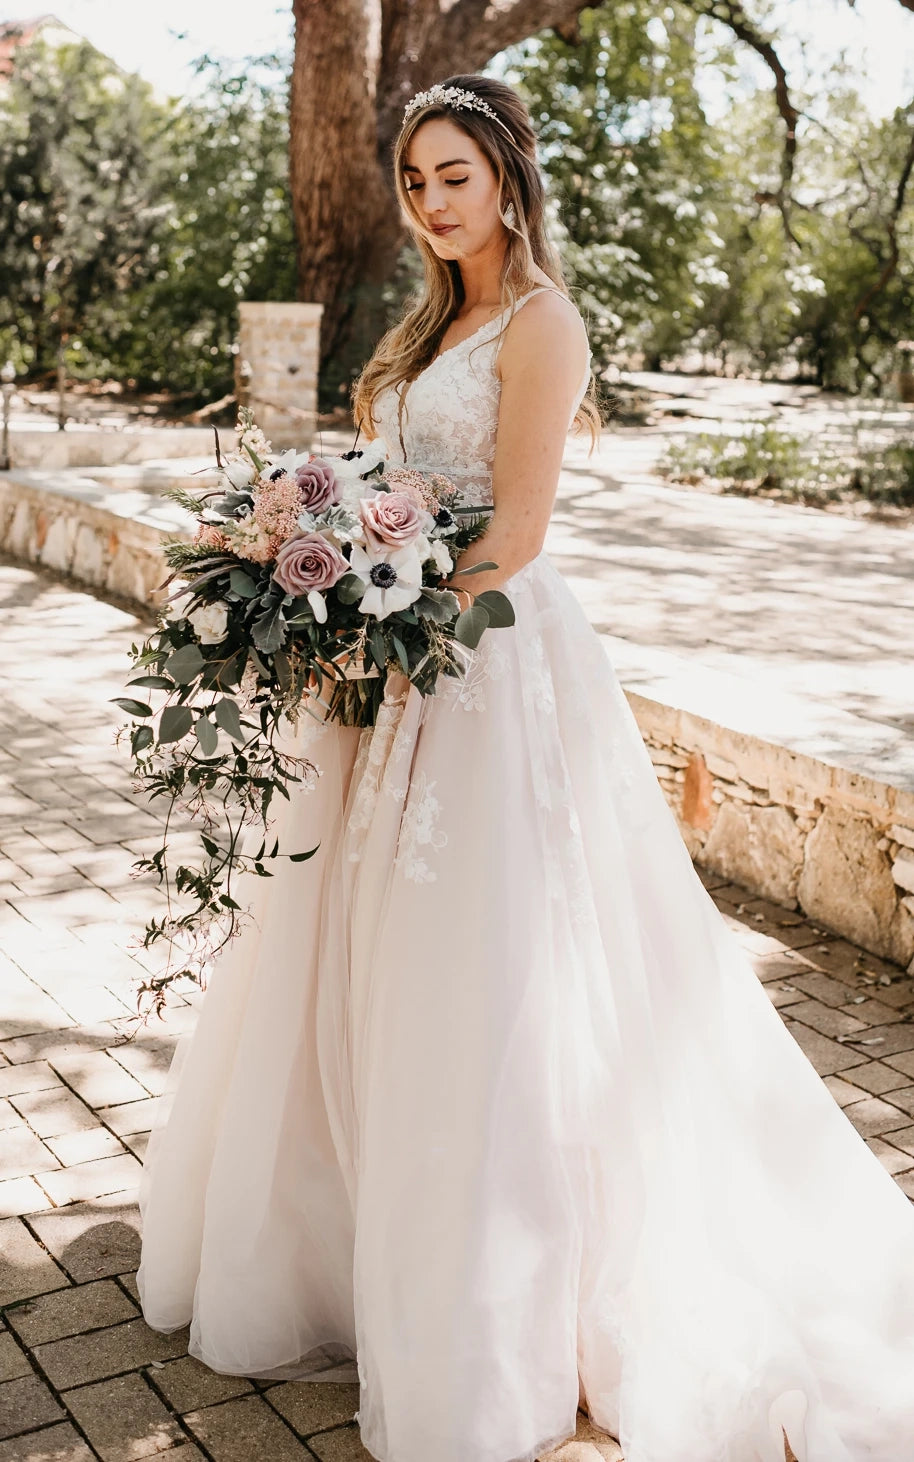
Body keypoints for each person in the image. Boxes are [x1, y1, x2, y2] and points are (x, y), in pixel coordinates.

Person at [137, 75, 914, 1462]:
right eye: (414, 182)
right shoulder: (441, 319)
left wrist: (391, 626)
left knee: (485, 967)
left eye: (453, 175)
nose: (432, 202)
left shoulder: (542, 324)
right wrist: (325, 591)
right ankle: (352, 1243)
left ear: (506, 176)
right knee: (363, 951)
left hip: (482, 661)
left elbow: (522, 530)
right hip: (394, 660)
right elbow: (398, 493)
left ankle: (503, 1308)